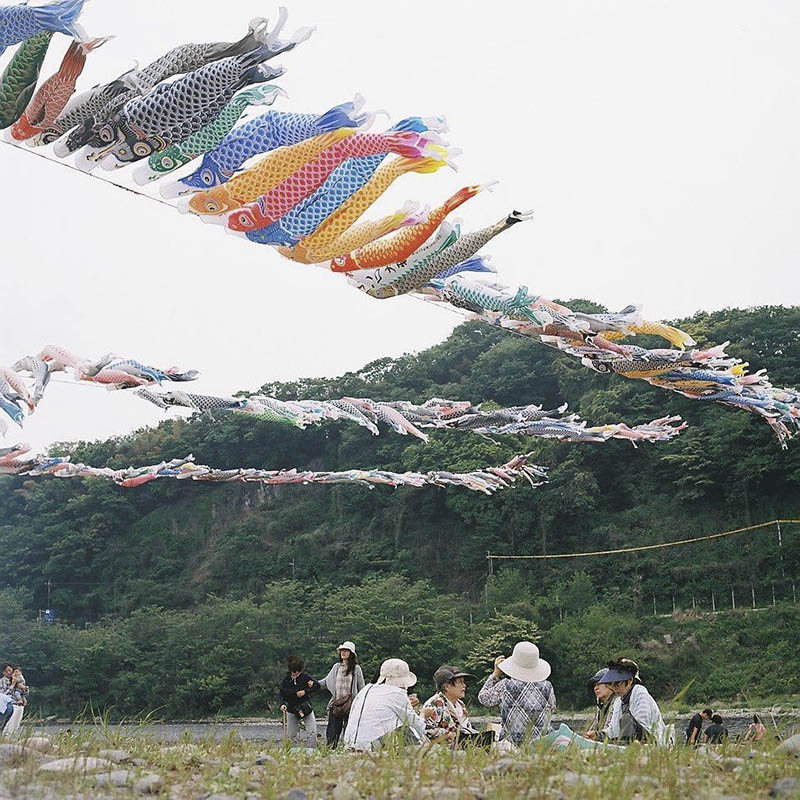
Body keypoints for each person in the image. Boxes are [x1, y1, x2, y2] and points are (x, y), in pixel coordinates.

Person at [477, 641, 556, 748]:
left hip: (512, 746)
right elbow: (552, 708)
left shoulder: (505, 685)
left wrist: (495, 674)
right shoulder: (548, 686)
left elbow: (483, 698)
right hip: (543, 744)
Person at [342, 658, 432, 751]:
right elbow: (416, 724)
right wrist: (423, 714)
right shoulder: (397, 693)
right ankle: (422, 754)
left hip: (350, 744)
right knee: (404, 726)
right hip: (369, 747)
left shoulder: (366, 689)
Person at [599, 658, 671, 745]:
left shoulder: (639, 692)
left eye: (618, 684)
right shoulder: (619, 701)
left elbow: (643, 723)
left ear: (630, 681)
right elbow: (613, 730)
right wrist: (598, 735)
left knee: (626, 718)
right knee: (623, 722)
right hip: (631, 739)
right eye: (611, 685)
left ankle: (624, 744)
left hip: (651, 741)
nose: (615, 688)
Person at [423, 665, 494, 749]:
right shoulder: (435, 704)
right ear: (447, 686)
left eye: (463, 682)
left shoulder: (460, 704)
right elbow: (426, 731)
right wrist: (449, 735)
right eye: (460, 682)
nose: (464, 685)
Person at [319, 641, 365, 748]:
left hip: (351, 705)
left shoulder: (356, 669)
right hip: (337, 703)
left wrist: (360, 704)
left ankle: (348, 750)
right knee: (333, 731)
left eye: (346, 651)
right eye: (342, 651)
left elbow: (361, 687)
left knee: (350, 731)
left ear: (351, 653)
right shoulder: (336, 667)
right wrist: (312, 683)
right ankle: (331, 750)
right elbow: (326, 681)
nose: (343, 653)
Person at [279, 656, 320, 745]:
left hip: (306, 708)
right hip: (291, 709)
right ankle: (292, 752)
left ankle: (312, 750)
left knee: (312, 732)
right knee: (291, 735)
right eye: (294, 671)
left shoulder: (305, 677)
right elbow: (282, 693)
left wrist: (306, 691)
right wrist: (283, 703)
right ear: (290, 670)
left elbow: (317, 685)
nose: (296, 673)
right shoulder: (286, 680)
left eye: (298, 671)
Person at [585, 668, 614, 738]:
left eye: (599, 684)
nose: (596, 688)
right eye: (594, 685)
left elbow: (611, 729)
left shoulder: (618, 702)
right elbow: (594, 728)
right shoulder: (601, 705)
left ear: (610, 684)